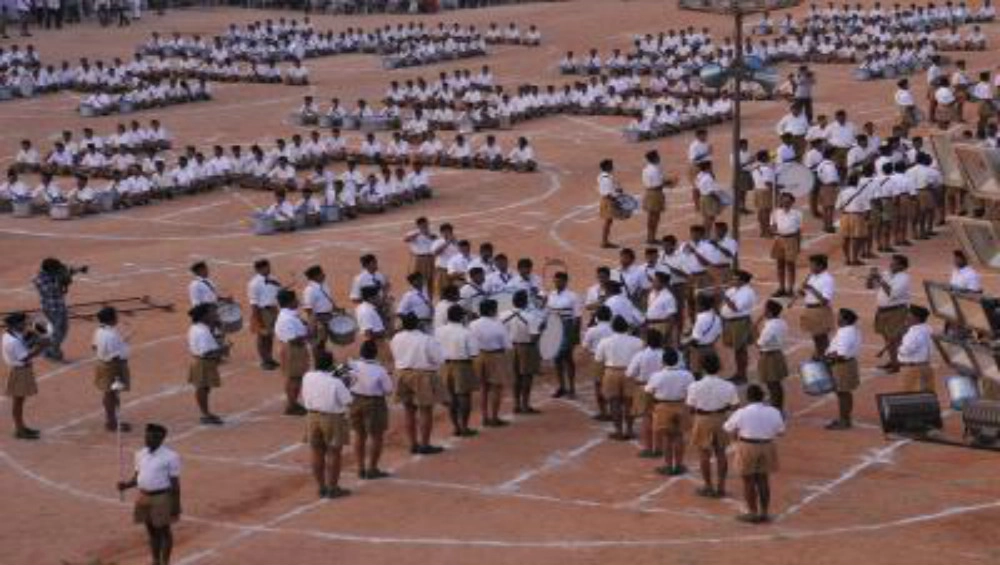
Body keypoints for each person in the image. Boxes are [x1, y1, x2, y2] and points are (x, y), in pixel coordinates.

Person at [117, 424, 181, 565]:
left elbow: (175, 484)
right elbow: (137, 477)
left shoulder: (171, 456)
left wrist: (176, 505)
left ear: (160, 438)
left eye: (150, 437)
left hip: (162, 497)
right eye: (146, 436)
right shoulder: (140, 454)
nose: (146, 439)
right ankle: (155, 561)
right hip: (143, 496)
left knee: (164, 531)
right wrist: (126, 485)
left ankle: (165, 562)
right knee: (151, 531)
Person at [724, 384, 785, 524]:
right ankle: (764, 512)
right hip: (767, 445)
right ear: (763, 397)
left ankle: (752, 512)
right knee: (763, 479)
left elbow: (728, 428)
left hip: (747, 446)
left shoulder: (742, 412)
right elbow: (781, 432)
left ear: (748, 398)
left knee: (748, 481)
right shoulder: (774, 411)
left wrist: (737, 436)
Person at [686, 352, 739, 498]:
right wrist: (723, 407)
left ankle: (708, 486)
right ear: (719, 367)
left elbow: (690, 407)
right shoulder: (728, 385)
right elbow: (735, 405)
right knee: (721, 453)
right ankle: (721, 486)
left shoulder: (694, 386)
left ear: (702, 367)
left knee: (704, 454)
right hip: (721, 418)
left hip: (702, 419)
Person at [391, 313, 445, 454]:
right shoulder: (426, 339)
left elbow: (395, 355)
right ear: (418, 324)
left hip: (402, 374)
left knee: (409, 411)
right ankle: (425, 444)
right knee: (425, 410)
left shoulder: (396, 338)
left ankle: (413, 444)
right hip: (422, 375)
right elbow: (439, 359)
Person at [301, 352, 352, 499]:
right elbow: (347, 400)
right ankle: (333, 487)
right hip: (332, 418)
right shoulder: (336, 382)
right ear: (331, 365)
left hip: (312, 417)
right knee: (334, 452)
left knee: (316, 452)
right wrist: (345, 381)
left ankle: (321, 487)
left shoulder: (307, 376)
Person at [349, 340, 394, 480]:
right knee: (376, 436)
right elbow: (388, 390)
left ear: (361, 352)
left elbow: (334, 375)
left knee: (359, 434)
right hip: (374, 403)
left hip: (355, 400)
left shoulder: (351, 365)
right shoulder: (380, 370)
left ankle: (360, 468)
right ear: (375, 354)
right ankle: (372, 468)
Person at [645, 347, 694, 476]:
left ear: (663, 361)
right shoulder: (687, 375)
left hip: (663, 406)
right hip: (681, 405)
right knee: (679, 436)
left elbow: (649, 391)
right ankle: (678, 465)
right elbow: (692, 391)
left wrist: (651, 406)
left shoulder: (657, 375)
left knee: (667, 437)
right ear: (677, 360)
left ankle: (668, 465)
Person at [594, 315, 644, 440]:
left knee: (614, 402)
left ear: (613, 328)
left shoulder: (605, 341)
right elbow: (641, 360)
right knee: (629, 402)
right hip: (630, 372)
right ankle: (629, 430)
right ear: (627, 327)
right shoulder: (638, 341)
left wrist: (599, 377)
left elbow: (599, 360)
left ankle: (619, 431)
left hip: (611, 371)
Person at [436, 304, 480, 437]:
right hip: (462, 365)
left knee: (451, 397)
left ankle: (456, 427)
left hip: (445, 365)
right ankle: (464, 426)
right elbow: (474, 353)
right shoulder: (466, 332)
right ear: (461, 317)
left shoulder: (438, 331)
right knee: (464, 396)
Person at [3, 312, 46, 439]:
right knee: (18, 402)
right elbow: (25, 357)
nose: (25, 324)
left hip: (18, 370)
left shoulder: (9, 335)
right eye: (22, 322)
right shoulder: (13, 342)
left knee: (19, 401)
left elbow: (24, 339)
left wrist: (33, 336)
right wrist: (40, 347)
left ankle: (21, 427)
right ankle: (19, 430)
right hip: (20, 372)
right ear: (15, 325)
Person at [470, 299, 513, 427]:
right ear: (491, 311)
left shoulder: (473, 324)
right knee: (496, 388)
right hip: (496, 356)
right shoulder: (498, 324)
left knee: (483, 387)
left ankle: (485, 417)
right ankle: (494, 417)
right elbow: (507, 345)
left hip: (479, 356)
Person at [503, 290, 543, 414]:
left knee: (515, 377)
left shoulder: (503, 315)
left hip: (510, 348)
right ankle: (525, 404)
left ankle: (516, 404)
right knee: (527, 377)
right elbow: (534, 337)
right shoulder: (531, 317)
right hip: (527, 348)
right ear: (525, 302)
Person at [627, 328, 665, 457]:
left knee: (647, 418)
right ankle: (659, 447)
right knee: (659, 418)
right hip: (662, 388)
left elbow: (630, 373)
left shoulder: (640, 355)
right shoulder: (667, 354)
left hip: (644, 387)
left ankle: (649, 448)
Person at [93, 306, 131, 432]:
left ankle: (112, 420)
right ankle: (112, 422)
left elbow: (94, 347)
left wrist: (122, 341)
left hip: (103, 364)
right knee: (111, 394)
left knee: (109, 393)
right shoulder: (110, 335)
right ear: (111, 319)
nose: (117, 318)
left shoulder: (99, 331)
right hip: (113, 366)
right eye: (116, 316)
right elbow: (116, 355)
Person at [871, 254, 911, 373]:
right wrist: (871, 277)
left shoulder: (904, 278)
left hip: (896, 311)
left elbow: (892, 294)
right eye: (892, 262)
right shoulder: (886, 274)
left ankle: (897, 364)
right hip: (882, 311)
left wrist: (880, 280)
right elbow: (870, 286)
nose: (891, 264)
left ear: (902, 266)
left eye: (895, 263)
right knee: (887, 338)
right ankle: (893, 361)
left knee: (894, 339)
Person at [186, 304, 225, 425]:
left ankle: (205, 413)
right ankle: (205, 414)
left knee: (205, 387)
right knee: (202, 388)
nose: (216, 314)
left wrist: (216, 326)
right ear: (204, 316)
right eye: (212, 312)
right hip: (203, 363)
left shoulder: (199, 327)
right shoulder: (202, 331)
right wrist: (223, 350)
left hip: (202, 361)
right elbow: (207, 352)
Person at [546, 271, 582, 398]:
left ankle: (572, 388)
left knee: (567, 357)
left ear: (565, 282)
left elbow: (577, 317)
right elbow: (548, 312)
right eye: (555, 281)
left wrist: (574, 335)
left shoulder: (573, 296)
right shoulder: (551, 294)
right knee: (557, 359)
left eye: (559, 281)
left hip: (567, 328)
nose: (557, 283)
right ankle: (562, 386)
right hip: (554, 328)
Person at [825, 308, 861, 430]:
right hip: (847, 364)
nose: (837, 318)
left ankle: (844, 421)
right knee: (845, 393)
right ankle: (845, 418)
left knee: (842, 394)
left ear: (844, 320)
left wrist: (825, 358)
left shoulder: (845, 333)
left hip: (842, 366)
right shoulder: (851, 330)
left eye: (839, 316)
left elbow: (841, 354)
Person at [276, 289, 310, 416]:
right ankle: (291, 405)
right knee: (294, 378)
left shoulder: (289, 315)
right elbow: (293, 339)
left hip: (294, 348)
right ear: (289, 302)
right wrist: (309, 334)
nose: (298, 301)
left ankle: (293, 403)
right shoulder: (287, 319)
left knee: (296, 377)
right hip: (293, 349)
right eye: (295, 299)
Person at [33, 257, 75, 362]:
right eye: (56, 269)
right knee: (57, 332)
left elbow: (62, 287)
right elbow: (52, 290)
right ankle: (52, 352)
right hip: (51, 308)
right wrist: (60, 279)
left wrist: (69, 275)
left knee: (64, 329)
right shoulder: (39, 279)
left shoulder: (53, 274)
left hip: (60, 305)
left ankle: (50, 349)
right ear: (50, 269)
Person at [721, 270, 756, 384]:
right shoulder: (733, 289)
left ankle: (742, 375)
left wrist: (724, 296)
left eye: (735, 279)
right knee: (737, 350)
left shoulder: (747, 293)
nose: (732, 280)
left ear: (742, 281)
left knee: (741, 350)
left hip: (739, 323)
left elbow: (736, 308)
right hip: (731, 322)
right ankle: (739, 373)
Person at [799, 254, 835, 361]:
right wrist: (802, 291)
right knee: (815, 336)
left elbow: (825, 300)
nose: (810, 267)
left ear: (820, 266)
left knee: (822, 336)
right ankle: (820, 354)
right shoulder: (812, 276)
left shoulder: (828, 279)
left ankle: (825, 357)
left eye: (812, 265)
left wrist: (811, 289)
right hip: (810, 309)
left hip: (820, 310)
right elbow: (806, 294)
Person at [755, 300, 789, 412]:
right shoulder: (781, 322)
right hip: (777, 354)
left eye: (765, 309)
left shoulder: (770, 327)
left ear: (769, 312)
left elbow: (759, 344)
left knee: (772, 384)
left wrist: (755, 326)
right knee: (776, 384)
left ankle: (776, 407)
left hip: (769, 357)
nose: (763, 311)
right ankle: (778, 406)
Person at [247, 259, 280, 370]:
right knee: (262, 336)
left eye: (268, 266)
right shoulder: (253, 284)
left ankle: (269, 358)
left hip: (273, 310)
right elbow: (254, 303)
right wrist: (258, 320)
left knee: (270, 335)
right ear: (258, 269)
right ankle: (264, 360)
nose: (268, 269)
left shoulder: (273, 279)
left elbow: (278, 292)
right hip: (262, 311)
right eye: (265, 267)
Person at [583, 305, 614, 421]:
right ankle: (613, 411)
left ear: (597, 317)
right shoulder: (613, 329)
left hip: (597, 359)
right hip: (612, 360)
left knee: (598, 385)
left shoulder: (592, 330)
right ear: (610, 316)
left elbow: (585, 346)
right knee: (611, 386)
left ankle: (603, 412)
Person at [302, 265, 338, 361]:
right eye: (321, 273)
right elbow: (308, 309)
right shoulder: (309, 290)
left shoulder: (324, 285)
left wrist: (335, 308)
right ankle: (318, 362)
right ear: (315, 276)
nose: (324, 274)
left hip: (327, 316)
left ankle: (323, 361)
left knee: (323, 341)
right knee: (318, 342)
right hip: (318, 318)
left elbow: (327, 299)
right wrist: (315, 324)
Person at [769, 193, 802, 297]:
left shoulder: (797, 214)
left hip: (791, 239)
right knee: (780, 264)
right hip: (779, 239)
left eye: (788, 201)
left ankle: (790, 288)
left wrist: (798, 245)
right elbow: (772, 228)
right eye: (783, 201)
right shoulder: (775, 213)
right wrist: (773, 229)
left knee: (790, 265)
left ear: (792, 202)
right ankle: (781, 287)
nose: (785, 203)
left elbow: (798, 230)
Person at [898, 305, 935, 393]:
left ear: (916, 318)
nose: (906, 317)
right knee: (927, 395)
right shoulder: (928, 328)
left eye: (909, 315)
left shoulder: (914, 333)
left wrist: (899, 348)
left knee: (908, 395)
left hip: (913, 369)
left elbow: (906, 350)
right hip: (926, 367)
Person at [641, 150, 672, 244]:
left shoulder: (646, 169)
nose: (659, 157)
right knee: (655, 217)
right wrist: (669, 182)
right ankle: (651, 238)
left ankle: (650, 237)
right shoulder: (655, 169)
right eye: (658, 156)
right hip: (655, 194)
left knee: (651, 217)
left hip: (648, 193)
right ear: (654, 158)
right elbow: (658, 184)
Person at [404, 217, 438, 296]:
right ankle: (419, 296)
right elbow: (406, 239)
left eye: (426, 224)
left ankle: (429, 297)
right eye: (422, 225)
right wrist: (419, 233)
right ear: (418, 225)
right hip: (419, 259)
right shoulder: (413, 233)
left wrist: (427, 233)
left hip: (431, 258)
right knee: (419, 279)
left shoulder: (432, 231)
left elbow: (434, 238)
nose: (425, 226)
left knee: (430, 279)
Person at [597, 158, 622, 249]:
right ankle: (604, 242)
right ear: (607, 167)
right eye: (611, 165)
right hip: (608, 201)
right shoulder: (607, 179)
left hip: (605, 200)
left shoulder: (602, 176)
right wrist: (617, 199)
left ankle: (605, 241)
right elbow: (608, 194)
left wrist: (616, 190)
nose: (612, 167)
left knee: (608, 221)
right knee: (608, 222)